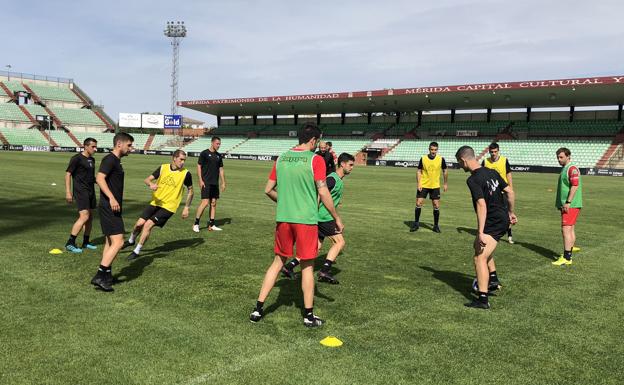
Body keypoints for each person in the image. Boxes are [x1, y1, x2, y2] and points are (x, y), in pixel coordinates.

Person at [249, 123, 344, 327]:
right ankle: (308, 316)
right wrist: (335, 216)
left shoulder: (282, 158)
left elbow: (268, 189)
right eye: (318, 141)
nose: (318, 144)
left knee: (277, 262)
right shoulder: (315, 160)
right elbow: (323, 191)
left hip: (284, 218)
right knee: (307, 267)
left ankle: (257, 309)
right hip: (306, 221)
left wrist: (284, 202)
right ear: (313, 140)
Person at [455, 145, 517, 309]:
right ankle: (493, 280)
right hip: (502, 218)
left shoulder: (473, 179)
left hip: (492, 222)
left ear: (464, 160)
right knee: (479, 247)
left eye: (459, 163)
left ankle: (482, 299)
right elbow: (510, 192)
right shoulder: (492, 172)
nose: (460, 167)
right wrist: (511, 212)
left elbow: (481, 205)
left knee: (479, 257)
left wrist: (480, 232)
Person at [281, 152, 356, 284]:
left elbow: (328, 195)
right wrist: (314, 208)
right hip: (324, 217)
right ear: (342, 164)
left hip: (320, 216)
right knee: (339, 242)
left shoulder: (337, 179)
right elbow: (319, 191)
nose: (352, 167)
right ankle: (325, 271)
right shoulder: (332, 178)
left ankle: (289, 267)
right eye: (350, 165)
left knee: (315, 247)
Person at [126, 150, 194, 260]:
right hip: (156, 202)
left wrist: (186, 207)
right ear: (174, 158)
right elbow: (147, 179)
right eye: (181, 159)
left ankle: (137, 250)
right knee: (139, 224)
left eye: (184, 160)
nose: (183, 162)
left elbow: (191, 191)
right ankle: (131, 240)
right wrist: (151, 184)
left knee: (148, 224)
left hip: (169, 207)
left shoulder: (186, 174)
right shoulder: (163, 168)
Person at [90, 133, 134, 292]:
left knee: (110, 242)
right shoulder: (110, 159)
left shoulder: (116, 161)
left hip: (111, 206)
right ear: (119, 144)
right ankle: (99, 275)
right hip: (109, 206)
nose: (131, 148)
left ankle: (106, 275)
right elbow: (100, 178)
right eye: (129, 145)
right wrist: (112, 199)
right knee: (119, 242)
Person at [64, 138, 98, 253]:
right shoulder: (76, 158)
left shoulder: (92, 160)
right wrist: (68, 192)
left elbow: (91, 177)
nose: (95, 149)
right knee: (84, 216)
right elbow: (68, 174)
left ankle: (86, 242)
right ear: (86, 146)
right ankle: (70, 242)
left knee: (90, 217)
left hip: (90, 191)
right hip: (80, 191)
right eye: (93, 147)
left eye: (95, 146)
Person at [552, 148, 582, 266]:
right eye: (558, 157)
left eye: (561, 157)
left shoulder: (572, 168)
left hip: (571, 204)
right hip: (569, 204)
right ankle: (570, 249)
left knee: (565, 229)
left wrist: (568, 202)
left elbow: (575, 186)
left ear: (568, 156)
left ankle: (567, 257)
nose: (559, 160)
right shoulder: (566, 168)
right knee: (570, 228)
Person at [411, 141, 448, 233]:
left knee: (436, 205)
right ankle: (416, 224)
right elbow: (419, 171)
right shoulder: (423, 158)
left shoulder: (441, 159)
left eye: (435, 150)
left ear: (437, 150)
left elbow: (445, 170)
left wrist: (445, 183)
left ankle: (435, 226)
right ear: (429, 149)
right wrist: (419, 183)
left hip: (435, 186)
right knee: (418, 203)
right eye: (432, 149)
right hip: (423, 185)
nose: (433, 151)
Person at [482, 142, 515, 243]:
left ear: (498, 151)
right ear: (489, 152)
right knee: (489, 212)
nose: (493, 154)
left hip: (503, 191)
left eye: (495, 152)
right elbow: (482, 176)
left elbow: (508, 174)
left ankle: (509, 234)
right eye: (491, 152)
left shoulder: (504, 160)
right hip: (491, 192)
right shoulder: (485, 162)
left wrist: (511, 188)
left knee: (506, 213)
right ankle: (489, 233)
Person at [193, 136, 226, 232]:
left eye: (219, 144)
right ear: (212, 143)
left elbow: (221, 169)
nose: (219, 145)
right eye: (217, 143)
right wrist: (200, 180)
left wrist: (223, 182)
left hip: (214, 183)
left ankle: (211, 224)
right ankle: (196, 223)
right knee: (205, 203)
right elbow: (199, 166)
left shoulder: (219, 156)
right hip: (206, 182)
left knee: (214, 203)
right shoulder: (204, 153)